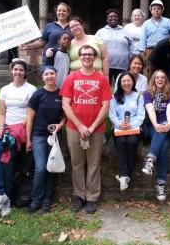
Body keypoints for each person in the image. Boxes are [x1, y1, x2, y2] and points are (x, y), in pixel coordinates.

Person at [60, 45, 112, 214]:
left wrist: (91, 127)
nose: (87, 57)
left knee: (94, 163)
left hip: (96, 129)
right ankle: (78, 196)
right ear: (79, 57)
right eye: (84, 54)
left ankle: (91, 198)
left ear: (95, 57)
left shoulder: (102, 79)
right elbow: (66, 104)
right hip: (74, 128)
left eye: (90, 54)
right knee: (77, 163)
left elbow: (105, 106)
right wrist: (81, 126)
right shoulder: (71, 77)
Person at [0, 59, 36, 217]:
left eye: (21, 70)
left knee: (7, 157)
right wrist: (1, 128)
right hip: (6, 127)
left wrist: (17, 128)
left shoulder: (31, 89)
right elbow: (2, 113)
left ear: (25, 72)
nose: (18, 72)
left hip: (20, 129)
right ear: (12, 71)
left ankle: (6, 197)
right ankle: (0, 195)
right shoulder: (5, 89)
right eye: (15, 69)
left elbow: (30, 114)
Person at [25, 66, 67, 214]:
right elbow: (30, 118)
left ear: (56, 75)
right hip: (38, 136)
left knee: (51, 168)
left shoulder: (62, 94)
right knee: (40, 168)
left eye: (52, 74)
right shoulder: (37, 95)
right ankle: (36, 200)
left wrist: (60, 126)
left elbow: (64, 115)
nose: (49, 76)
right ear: (42, 77)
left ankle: (47, 200)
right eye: (46, 74)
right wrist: (28, 139)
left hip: (54, 136)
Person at [141, 70, 170, 201]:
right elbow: (150, 110)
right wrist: (156, 124)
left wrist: (168, 123)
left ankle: (150, 160)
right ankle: (161, 184)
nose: (160, 79)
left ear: (165, 80)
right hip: (154, 126)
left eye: (162, 77)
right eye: (157, 77)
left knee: (164, 130)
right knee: (164, 144)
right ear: (153, 79)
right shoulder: (147, 94)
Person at [109, 71, 145, 191]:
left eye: (128, 80)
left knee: (131, 143)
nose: (126, 83)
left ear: (133, 82)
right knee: (121, 143)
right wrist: (119, 124)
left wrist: (132, 125)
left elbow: (141, 115)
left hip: (134, 127)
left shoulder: (139, 97)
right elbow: (112, 115)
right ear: (119, 83)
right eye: (123, 81)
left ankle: (124, 175)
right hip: (119, 128)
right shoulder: (115, 97)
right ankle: (125, 175)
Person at [138, 0, 170, 78]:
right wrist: (142, 54)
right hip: (150, 51)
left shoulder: (169, 22)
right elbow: (143, 39)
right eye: (154, 9)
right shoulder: (146, 24)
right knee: (150, 76)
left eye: (158, 9)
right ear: (151, 10)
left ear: (162, 10)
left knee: (166, 74)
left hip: (165, 52)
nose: (156, 11)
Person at [96, 9, 136, 84]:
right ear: (107, 19)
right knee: (105, 86)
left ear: (118, 19)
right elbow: (95, 47)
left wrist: (130, 61)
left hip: (122, 65)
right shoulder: (100, 32)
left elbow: (132, 48)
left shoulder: (125, 32)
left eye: (115, 16)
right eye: (111, 16)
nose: (113, 18)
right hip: (105, 65)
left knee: (122, 86)